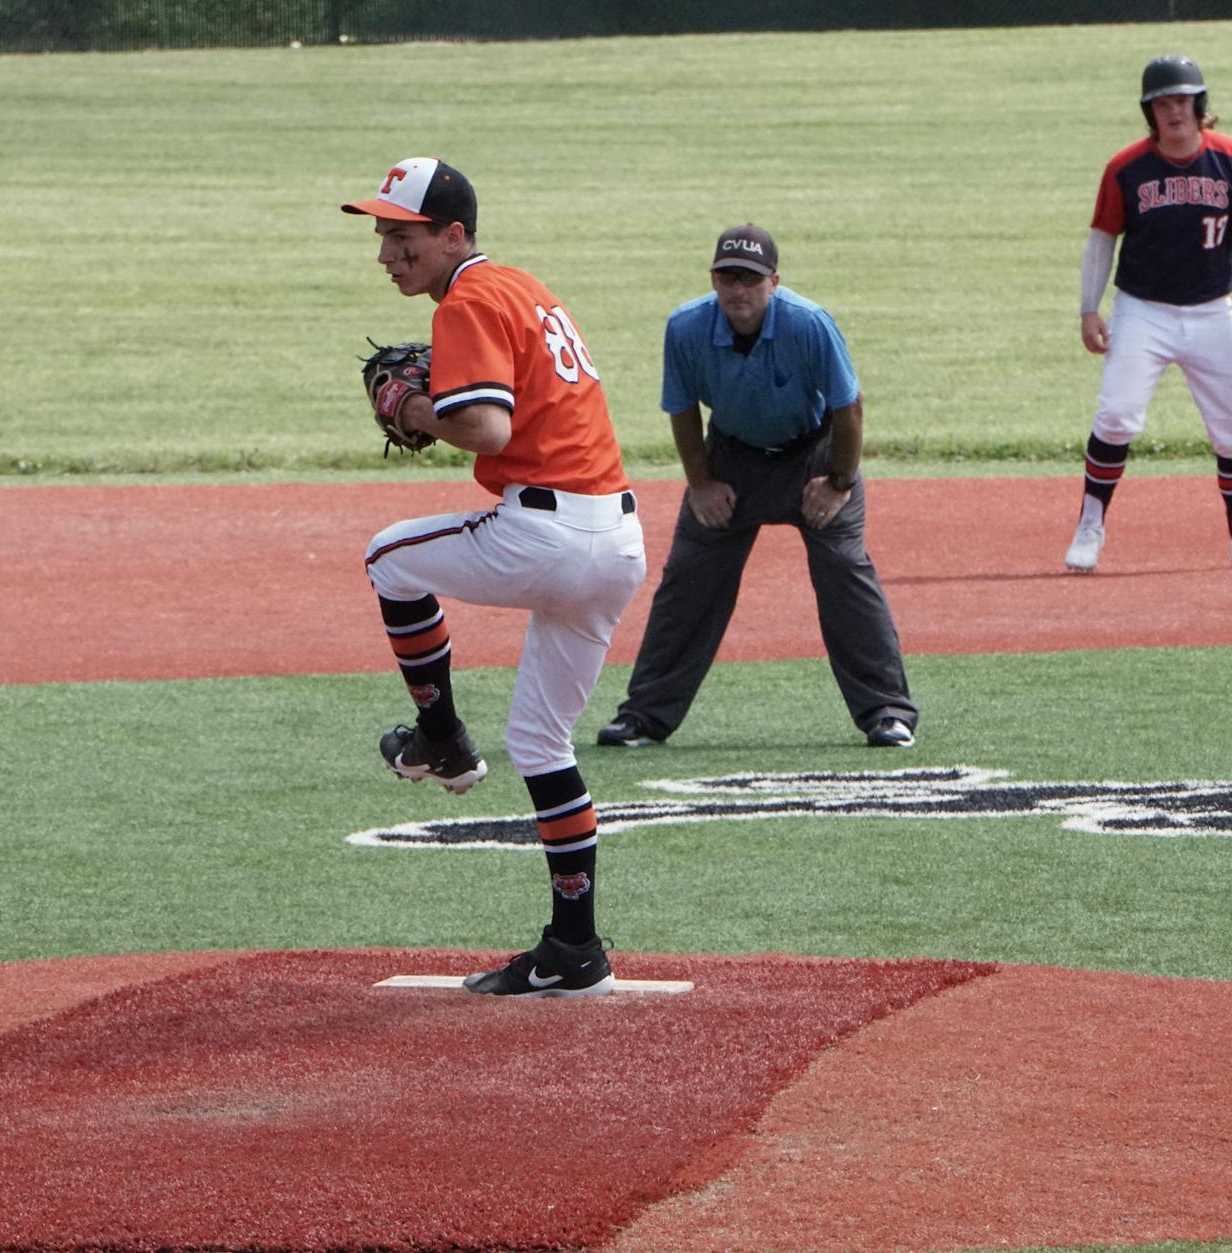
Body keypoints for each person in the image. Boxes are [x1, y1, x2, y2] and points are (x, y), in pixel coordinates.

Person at [342, 157, 647, 998]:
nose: (386, 257)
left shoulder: (471, 297)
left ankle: (440, 739)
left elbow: (482, 424)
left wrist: (409, 408)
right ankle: (576, 949)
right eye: (381, 238)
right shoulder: (523, 288)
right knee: (543, 745)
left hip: (548, 533)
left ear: (453, 234)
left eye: (401, 239)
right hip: (615, 538)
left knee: (389, 557)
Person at [597, 224, 918, 752]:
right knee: (688, 576)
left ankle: (887, 713)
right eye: (728, 278)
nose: (738, 291)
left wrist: (839, 483)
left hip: (815, 456)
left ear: (774, 282)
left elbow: (849, 406)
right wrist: (700, 484)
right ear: (713, 280)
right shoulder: (685, 327)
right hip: (731, 457)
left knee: (843, 569)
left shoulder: (809, 323)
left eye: (750, 279)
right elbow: (681, 411)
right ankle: (644, 716)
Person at [1066, 53, 1232, 572]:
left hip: (1213, 312)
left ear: (1199, 105)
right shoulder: (1126, 167)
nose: (1174, 112)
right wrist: (1088, 310)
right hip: (1144, 312)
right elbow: (1101, 241)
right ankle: (1089, 526)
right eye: (1163, 103)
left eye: (1183, 100)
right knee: (1116, 416)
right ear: (1150, 112)